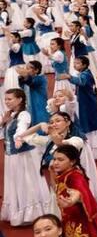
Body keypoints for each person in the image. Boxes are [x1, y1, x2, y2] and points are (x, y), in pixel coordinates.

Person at [1, 89, 54, 226]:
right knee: (16, 181)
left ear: (19, 99)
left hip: (23, 155)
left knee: (27, 181)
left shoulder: (24, 115)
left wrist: (18, 138)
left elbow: (21, 130)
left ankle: (31, 212)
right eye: (6, 99)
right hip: (11, 155)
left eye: (10, 99)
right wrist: (3, 122)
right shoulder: (10, 114)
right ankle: (19, 208)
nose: (7, 101)